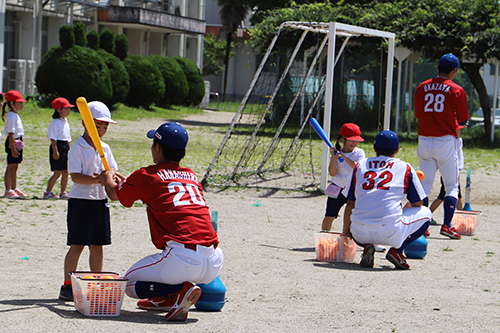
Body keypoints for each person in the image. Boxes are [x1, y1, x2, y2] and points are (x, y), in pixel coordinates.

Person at [100, 122, 223, 322]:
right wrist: (130, 184)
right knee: (169, 267)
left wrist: (106, 178)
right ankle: (167, 299)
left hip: (182, 258)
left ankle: (178, 290)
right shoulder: (191, 175)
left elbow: (114, 193)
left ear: (157, 148)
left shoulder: (147, 175)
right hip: (214, 260)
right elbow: (162, 194)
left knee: (128, 283)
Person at [59, 101, 124, 301]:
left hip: (100, 201)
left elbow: (111, 170)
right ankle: (68, 285)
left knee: (98, 245)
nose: (102, 130)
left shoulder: (105, 148)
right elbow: (76, 176)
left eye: (105, 126)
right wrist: (99, 179)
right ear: (85, 123)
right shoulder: (77, 147)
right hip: (81, 202)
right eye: (98, 125)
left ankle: (97, 282)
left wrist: (119, 178)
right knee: (77, 244)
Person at [341, 130, 432, 270]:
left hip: (359, 233)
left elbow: (350, 204)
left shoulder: (360, 165)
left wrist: (346, 233)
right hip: (390, 232)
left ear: (374, 149)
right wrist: (404, 208)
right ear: (397, 150)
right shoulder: (405, 167)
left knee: (359, 216)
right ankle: (397, 251)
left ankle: (366, 247)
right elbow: (418, 203)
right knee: (426, 213)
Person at [414, 53, 469, 240]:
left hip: (424, 139)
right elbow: (463, 119)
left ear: (437, 68)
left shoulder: (422, 86)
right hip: (445, 141)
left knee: (425, 185)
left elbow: (418, 113)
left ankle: (422, 225)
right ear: (454, 71)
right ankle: (447, 225)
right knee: (452, 185)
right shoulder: (456, 89)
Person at [321, 123, 365, 232]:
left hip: (352, 188)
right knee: (330, 215)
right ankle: (324, 236)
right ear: (342, 139)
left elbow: (358, 167)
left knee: (353, 217)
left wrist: (343, 157)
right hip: (337, 188)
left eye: (356, 140)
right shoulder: (336, 154)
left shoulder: (359, 153)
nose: (354, 143)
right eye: (351, 140)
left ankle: (350, 237)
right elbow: (332, 173)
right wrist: (333, 157)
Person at [428, 125, 465, 227]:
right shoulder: (451, 141)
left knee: (453, 196)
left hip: (455, 171)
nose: (459, 132)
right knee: (444, 196)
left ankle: (461, 218)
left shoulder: (457, 140)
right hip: (450, 171)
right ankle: (428, 215)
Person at [44, 97, 73, 199]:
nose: (68, 111)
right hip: (58, 146)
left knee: (65, 171)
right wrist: (55, 151)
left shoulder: (65, 121)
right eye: (66, 108)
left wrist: (69, 150)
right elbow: (53, 138)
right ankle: (48, 192)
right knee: (57, 172)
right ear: (59, 110)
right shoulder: (55, 122)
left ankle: (63, 191)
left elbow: (68, 138)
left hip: (65, 146)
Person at [2, 90, 27, 199]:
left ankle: (14, 187)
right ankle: (8, 189)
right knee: (11, 165)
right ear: (12, 103)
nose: (21, 105)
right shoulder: (11, 116)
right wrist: (12, 148)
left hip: (18, 141)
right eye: (19, 102)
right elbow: (11, 134)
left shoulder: (15, 115)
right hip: (13, 141)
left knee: (15, 166)